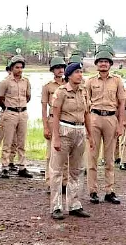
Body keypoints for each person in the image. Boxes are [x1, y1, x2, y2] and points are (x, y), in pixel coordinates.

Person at [49, 62, 92, 219]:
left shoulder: (83, 91)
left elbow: (86, 114)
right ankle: (56, 206)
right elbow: (55, 115)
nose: (80, 75)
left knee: (77, 170)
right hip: (64, 130)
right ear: (69, 75)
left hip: (79, 131)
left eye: (81, 72)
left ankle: (74, 204)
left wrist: (90, 135)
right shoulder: (61, 92)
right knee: (57, 170)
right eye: (77, 72)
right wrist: (56, 138)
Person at [83, 48, 125, 204]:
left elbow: (122, 103)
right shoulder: (90, 81)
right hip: (94, 117)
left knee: (109, 158)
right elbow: (84, 104)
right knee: (92, 156)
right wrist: (86, 125)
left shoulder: (117, 81)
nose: (103, 64)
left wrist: (121, 125)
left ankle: (109, 191)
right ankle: (93, 191)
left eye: (106, 62)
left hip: (110, 118)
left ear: (110, 64)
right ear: (96, 64)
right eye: (100, 62)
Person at [0, 56, 33, 179]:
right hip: (10, 113)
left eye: (21, 67)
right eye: (17, 67)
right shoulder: (5, 82)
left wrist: (20, 106)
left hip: (22, 113)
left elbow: (28, 97)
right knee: (8, 141)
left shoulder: (26, 81)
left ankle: (22, 166)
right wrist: (8, 107)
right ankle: (5, 167)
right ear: (12, 68)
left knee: (21, 141)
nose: (19, 70)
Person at [42, 57, 67, 185]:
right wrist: (45, 126)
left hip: (67, 120)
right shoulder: (47, 86)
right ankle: (50, 181)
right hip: (52, 120)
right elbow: (43, 107)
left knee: (66, 152)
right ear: (52, 70)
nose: (60, 70)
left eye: (62, 67)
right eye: (57, 68)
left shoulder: (69, 84)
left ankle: (64, 182)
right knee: (51, 153)